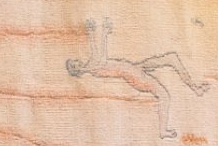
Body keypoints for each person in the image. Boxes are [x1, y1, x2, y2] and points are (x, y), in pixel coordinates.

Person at [64, 18, 208, 139]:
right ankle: (163, 131)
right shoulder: (91, 68)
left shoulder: (91, 64)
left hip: (134, 68)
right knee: (164, 95)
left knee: (171, 58)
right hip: (135, 76)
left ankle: (195, 88)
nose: (77, 62)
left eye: (74, 62)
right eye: (74, 66)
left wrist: (92, 32)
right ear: (78, 72)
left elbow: (96, 52)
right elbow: (101, 55)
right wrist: (103, 32)